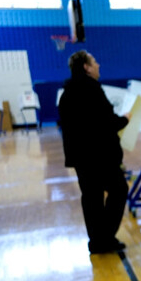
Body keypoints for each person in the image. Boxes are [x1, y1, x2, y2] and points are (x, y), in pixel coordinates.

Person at [58, 50, 130, 254]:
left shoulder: (67, 93)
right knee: (118, 190)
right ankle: (105, 237)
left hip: (81, 159)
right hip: (101, 157)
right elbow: (108, 122)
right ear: (86, 67)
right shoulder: (92, 89)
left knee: (91, 199)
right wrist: (126, 118)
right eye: (95, 62)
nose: (98, 65)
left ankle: (96, 242)